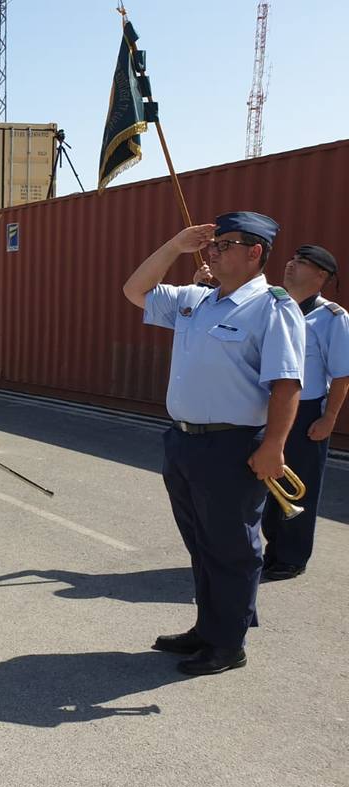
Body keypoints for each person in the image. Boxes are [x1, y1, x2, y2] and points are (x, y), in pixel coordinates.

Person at [123, 211, 305, 676]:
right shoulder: (196, 301)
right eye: (213, 244)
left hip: (234, 445)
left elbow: (286, 384)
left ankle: (228, 644)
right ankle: (207, 628)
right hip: (184, 442)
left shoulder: (272, 307)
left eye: (225, 245)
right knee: (202, 545)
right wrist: (173, 246)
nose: (213, 251)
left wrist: (275, 446)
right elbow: (135, 290)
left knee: (233, 549)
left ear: (254, 252)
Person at [260, 245, 348, 580]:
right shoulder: (274, 306)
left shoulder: (332, 319)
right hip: (268, 407)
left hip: (307, 412)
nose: (290, 265)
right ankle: (273, 547)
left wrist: (329, 419)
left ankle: (292, 557)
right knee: (267, 483)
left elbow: (342, 375)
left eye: (301, 263)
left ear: (321, 276)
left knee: (301, 487)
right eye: (292, 259)